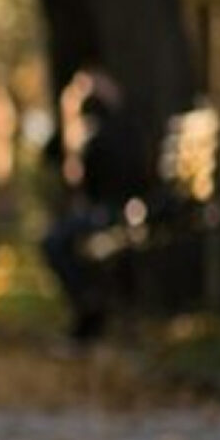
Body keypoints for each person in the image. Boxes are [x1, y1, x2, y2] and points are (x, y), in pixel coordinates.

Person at [40, 65, 148, 342]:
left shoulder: (121, 123)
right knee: (56, 241)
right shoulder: (81, 125)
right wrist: (69, 115)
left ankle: (90, 309)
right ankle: (88, 307)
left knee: (59, 241)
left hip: (117, 209)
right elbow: (54, 159)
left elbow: (127, 172)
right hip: (97, 211)